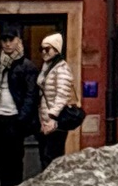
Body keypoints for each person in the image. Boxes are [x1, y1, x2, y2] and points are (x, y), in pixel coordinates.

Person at [0, 31, 38, 186]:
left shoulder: (26, 66)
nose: (8, 44)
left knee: (14, 163)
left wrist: (21, 119)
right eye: (4, 40)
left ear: (18, 41)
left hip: (14, 119)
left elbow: (31, 94)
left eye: (11, 40)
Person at [36, 32, 84, 165]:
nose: (44, 52)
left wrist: (52, 117)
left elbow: (62, 95)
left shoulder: (61, 69)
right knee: (46, 157)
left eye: (47, 49)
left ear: (56, 50)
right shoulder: (47, 68)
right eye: (41, 49)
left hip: (55, 121)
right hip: (46, 120)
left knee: (52, 157)